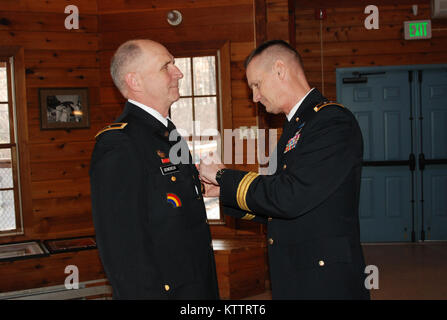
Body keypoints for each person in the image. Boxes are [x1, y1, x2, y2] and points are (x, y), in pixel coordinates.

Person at [199, 40, 370, 300]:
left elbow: (290, 197)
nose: (255, 96)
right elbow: (276, 204)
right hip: (296, 268)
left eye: (256, 84)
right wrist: (223, 191)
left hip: (325, 278)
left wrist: (223, 176)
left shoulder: (331, 122)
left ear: (280, 70)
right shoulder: (296, 127)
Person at [89, 39, 219, 299]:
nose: (178, 72)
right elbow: (122, 248)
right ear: (135, 82)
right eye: (166, 66)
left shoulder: (165, 133)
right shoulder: (120, 143)